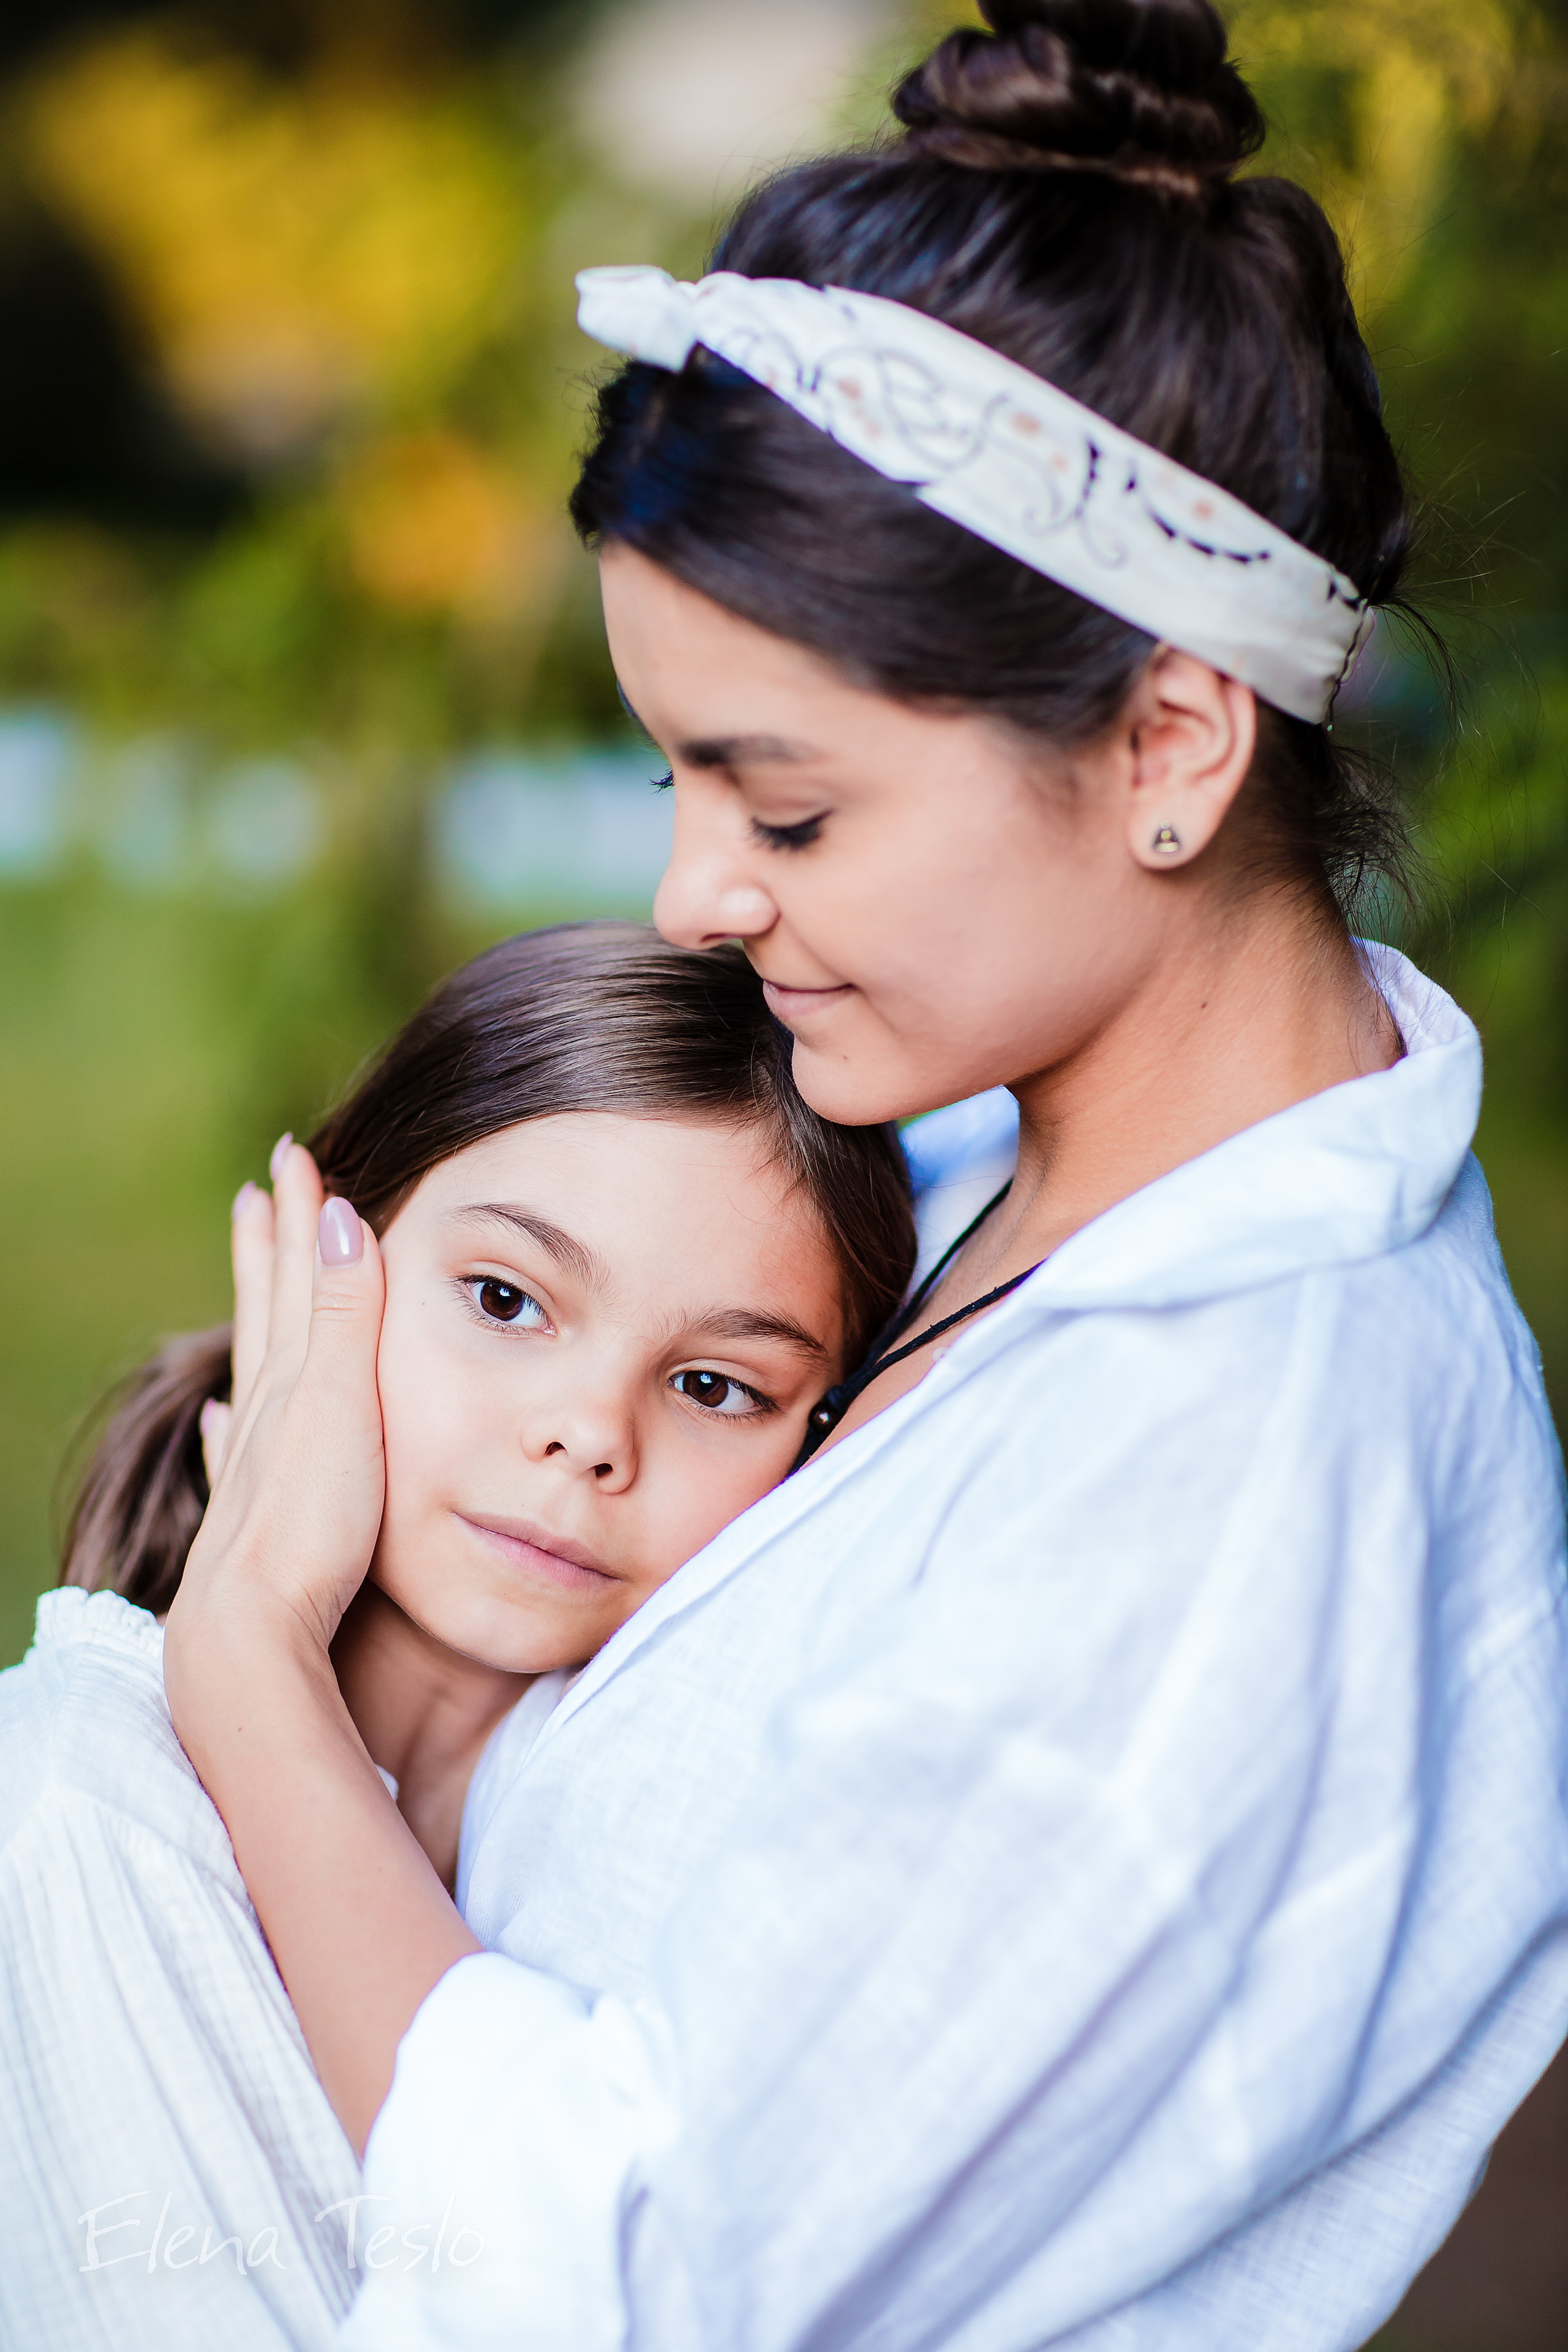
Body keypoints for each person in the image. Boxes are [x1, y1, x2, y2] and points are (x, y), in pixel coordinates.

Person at [164, 2, 1568, 2346]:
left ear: (1169, 743)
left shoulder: (1230, 1484)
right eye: (675, 788)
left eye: (789, 807)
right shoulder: (986, 1152)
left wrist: (245, 1681)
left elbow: (627, 2283)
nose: (704, 896)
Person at [0, 922, 913, 2352]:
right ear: (329, 1266)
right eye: (505, 1299)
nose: (588, 1433)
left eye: (715, 1385)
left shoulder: (681, 1845)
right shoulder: (81, 1810)